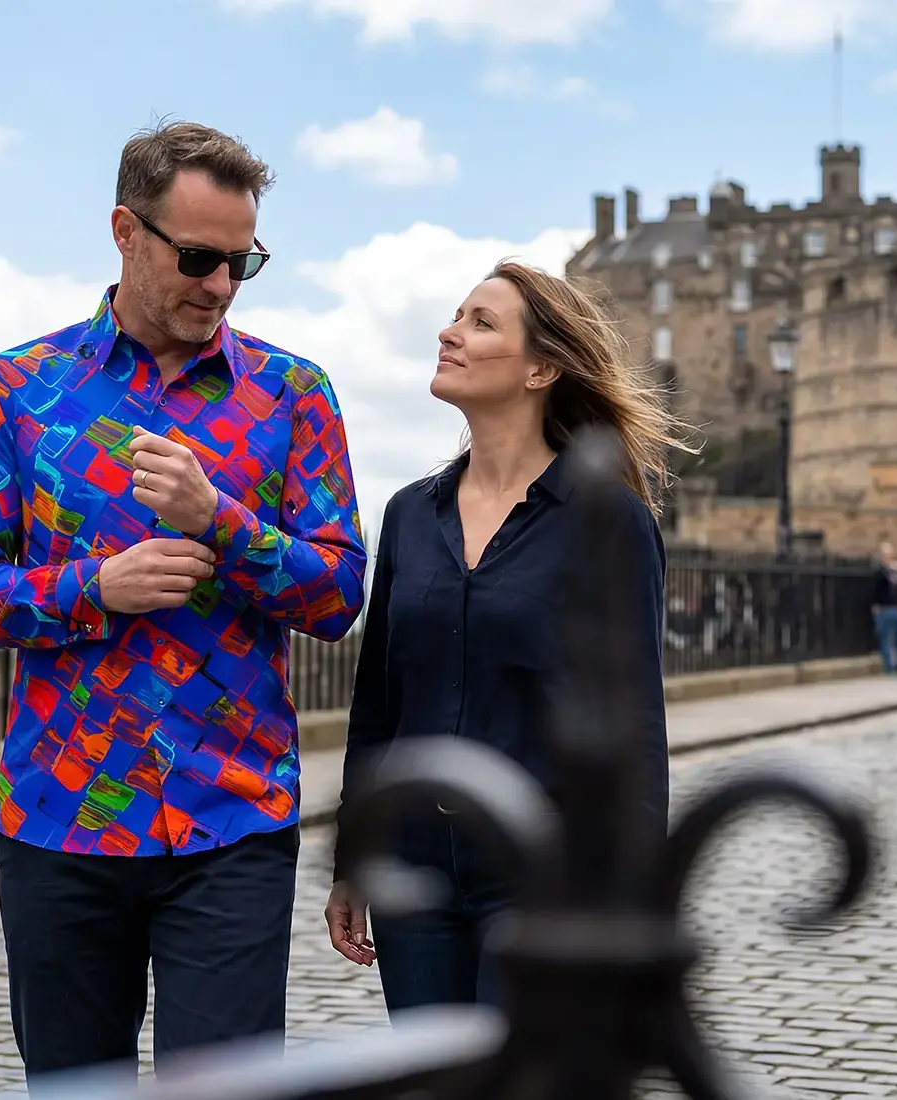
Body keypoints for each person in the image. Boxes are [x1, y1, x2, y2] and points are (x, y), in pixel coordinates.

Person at [0, 123, 367, 1083]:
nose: (219, 285)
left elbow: (339, 594)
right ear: (126, 231)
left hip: (232, 819)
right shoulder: (16, 391)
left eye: (242, 263)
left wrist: (226, 525)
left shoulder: (295, 395)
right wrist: (95, 589)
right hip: (60, 816)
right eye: (198, 257)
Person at [326, 260, 682, 1011]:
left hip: (543, 870)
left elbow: (635, 724)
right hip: (413, 870)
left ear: (541, 368)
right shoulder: (409, 515)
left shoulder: (606, 520)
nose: (449, 334)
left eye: (480, 323)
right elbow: (378, 706)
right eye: (457, 316)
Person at [871, 542, 897, 675]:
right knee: (885, 639)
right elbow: (876, 588)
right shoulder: (879, 571)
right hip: (884, 608)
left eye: (889, 554)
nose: (887, 557)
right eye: (884, 555)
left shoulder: (895, 572)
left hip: (896, 608)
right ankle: (888, 667)